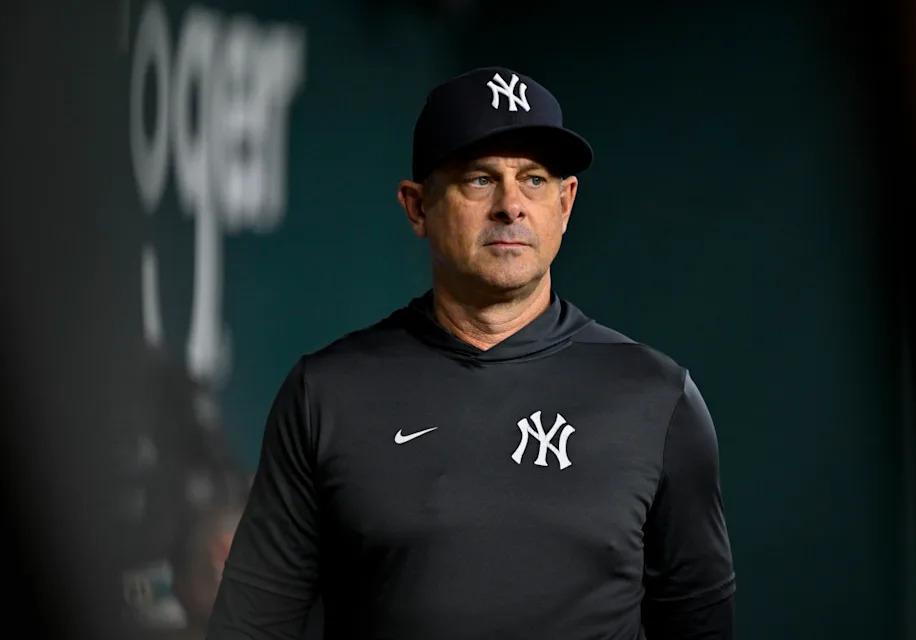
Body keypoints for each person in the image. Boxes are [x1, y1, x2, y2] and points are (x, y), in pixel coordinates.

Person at [205, 66, 736, 640]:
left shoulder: (658, 398)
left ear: (566, 202)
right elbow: (251, 627)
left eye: (533, 180)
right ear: (417, 207)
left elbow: (700, 627)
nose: (511, 205)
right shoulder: (327, 394)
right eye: (480, 180)